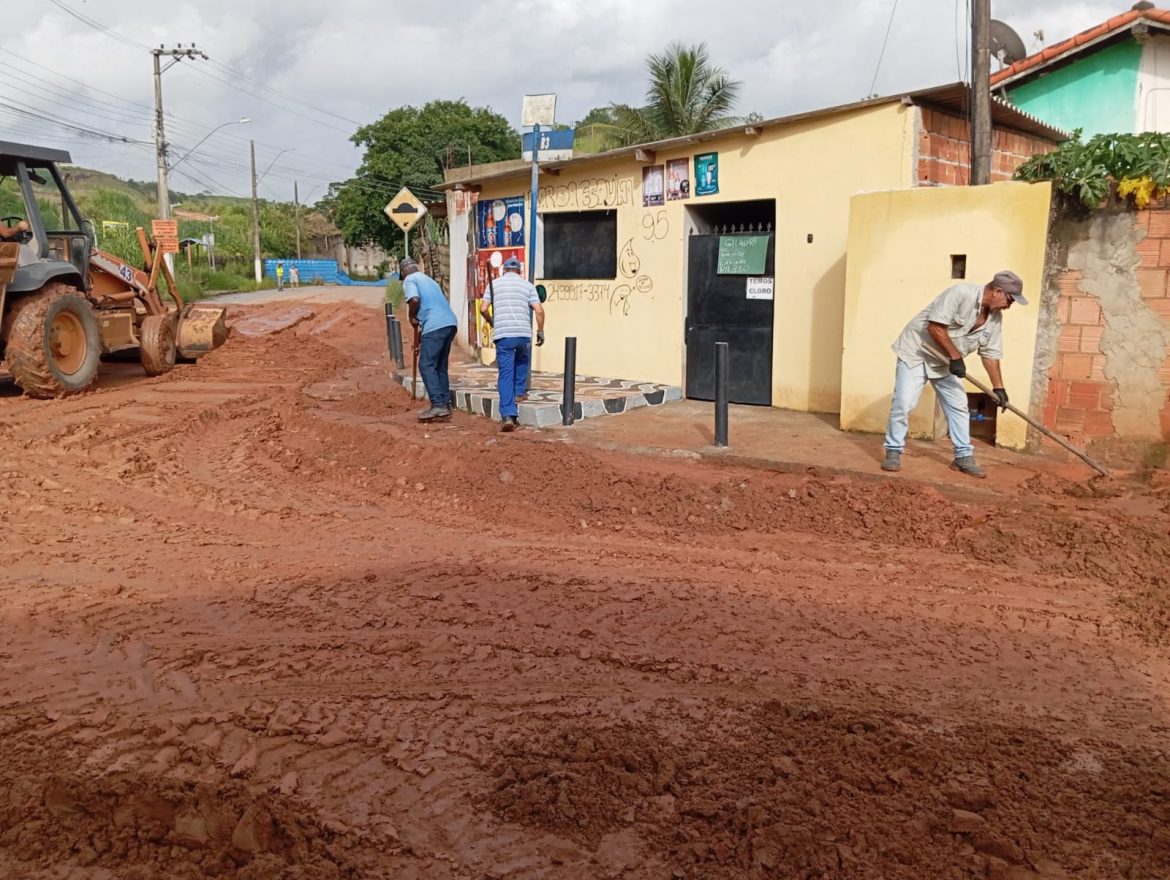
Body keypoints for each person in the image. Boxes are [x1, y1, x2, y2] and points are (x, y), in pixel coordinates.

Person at [881, 270, 1027, 479]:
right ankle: (893, 450)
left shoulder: (995, 319)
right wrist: (955, 357)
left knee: (958, 406)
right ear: (997, 291)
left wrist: (999, 388)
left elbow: (990, 354)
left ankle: (963, 456)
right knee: (904, 402)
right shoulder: (960, 293)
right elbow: (935, 327)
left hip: (946, 362)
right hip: (917, 353)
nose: (1009, 306)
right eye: (1010, 300)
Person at [479, 256, 545, 432]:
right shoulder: (527, 286)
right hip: (523, 333)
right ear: (519, 271)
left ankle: (508, 415)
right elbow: (539, 310)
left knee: (505, 373)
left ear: (504, 270)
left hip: (504, 334)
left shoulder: (494, 285)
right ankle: (519, 392)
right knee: (522, 360)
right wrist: (540, 331)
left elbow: (483, 308)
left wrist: (491, 320)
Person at [401, 257, 458, 421]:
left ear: (404, 272)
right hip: (449, 323)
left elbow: (415, 300)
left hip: (435, 325)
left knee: (426, 365)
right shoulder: (430, 281)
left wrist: (411, 316)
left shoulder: (410, 280)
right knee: (439, 366)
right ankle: (445, 403)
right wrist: (419, 340)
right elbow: (430, 308)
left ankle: (438, 405)